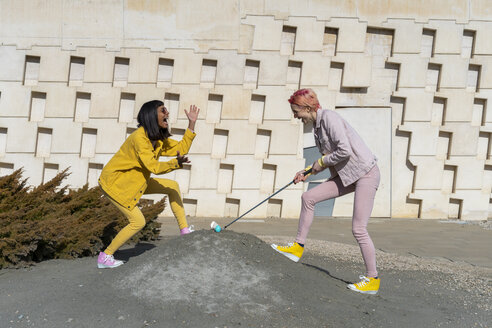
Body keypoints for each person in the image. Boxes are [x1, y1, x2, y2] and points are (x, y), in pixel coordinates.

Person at [270, 89, 381, 294]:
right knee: (308, 197)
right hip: (347, 175)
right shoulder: (317, 128)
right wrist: (308, 172)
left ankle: (372, 279)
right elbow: (330, 158)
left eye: (296, 111)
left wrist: (318, 163)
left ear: (307, 107)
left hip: (366, 173)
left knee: (358, 228)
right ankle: (297, 247)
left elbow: (344, 150)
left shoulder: (330, 118)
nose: (295, 116)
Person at [96, 100, 199, 268]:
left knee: (172, 187)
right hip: (116, 184)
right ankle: (105, 256)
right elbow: (154, 167)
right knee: (138, 221)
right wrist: (175, 163)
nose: (167, 113)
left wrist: (192, 123)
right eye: (163, 110)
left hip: (137, 181)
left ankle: (184, 231)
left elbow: (181, 148)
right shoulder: (140, 138)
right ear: (152, 115)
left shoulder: (157, 139)